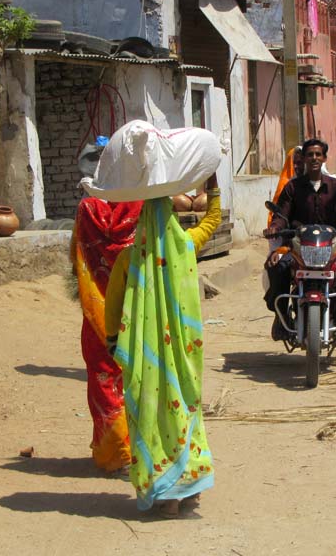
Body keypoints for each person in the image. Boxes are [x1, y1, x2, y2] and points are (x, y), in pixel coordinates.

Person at [104, 173, 221, 517]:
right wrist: (211, 186)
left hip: (145, 358)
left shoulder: (129, 259)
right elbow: (213, 219)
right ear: (171, 218)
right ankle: (188, 488)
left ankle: (165, 493)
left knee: (151, 417)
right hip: (183, 356)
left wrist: (115, 345)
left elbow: (112, 310)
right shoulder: (186, 246)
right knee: (184, 411)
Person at [264, 139, 336, 339]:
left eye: (318, 155)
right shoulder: (292, 188)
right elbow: (282, 215)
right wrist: (275, 228)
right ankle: (281, 315)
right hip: (299, 246)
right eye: (310, 154)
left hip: (331, 245)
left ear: (324, 159)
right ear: (304, 158)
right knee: (278, 268)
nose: (314, 158)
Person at [71, 198, 143, 473]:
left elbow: (75, 258)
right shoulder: (144, 205)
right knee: (139, 379)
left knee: (103, 380)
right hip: (137, 311)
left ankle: (115, 454)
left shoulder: (86, 210)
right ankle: (142, 451)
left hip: (98, 312)